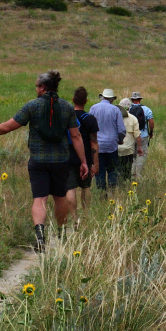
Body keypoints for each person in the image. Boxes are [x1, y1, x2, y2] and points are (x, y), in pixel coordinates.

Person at [0, 71, 87, 252]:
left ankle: (40, 235)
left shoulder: (32, 106)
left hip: (38, 161)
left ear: (43, 88)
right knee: (60, 197)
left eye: (37, 86)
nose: (36, 89)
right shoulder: (67, 107)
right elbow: (76, 135)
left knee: (39, 198)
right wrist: (83, 161)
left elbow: (7, 127)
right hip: (60, 161)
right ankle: (61, 234)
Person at [66, 86, 99, 226]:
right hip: (86, 158)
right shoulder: (90, 119)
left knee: (70, 188)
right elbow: (94, 143)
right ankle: (85, 216)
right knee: (86, 188)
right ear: (86, 101)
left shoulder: (66, 117)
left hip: (68, 158)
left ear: (73, 100)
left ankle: (74, 219)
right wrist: (95, 163)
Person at [89, 88, 125, 191]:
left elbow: (89, 127)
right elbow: (121, 129)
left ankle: (101, 194)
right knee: (112, 170)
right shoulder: (115, 110)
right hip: (111, 145)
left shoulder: (93, 108)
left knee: (99, 171)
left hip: (97, 145)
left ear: (102, 97)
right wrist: (120, 139)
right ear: (112, 99)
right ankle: (112, 192)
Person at [130, 91, 154, 179]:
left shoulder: (128, 109)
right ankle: (138, 175)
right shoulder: (147, 109)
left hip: (131, 136)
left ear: (132, 99)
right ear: (140, 99)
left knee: (132, 155)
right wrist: (151, 131)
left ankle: (132, 174)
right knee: (141, 154)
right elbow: (151, 121)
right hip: (143, 135)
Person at [117, 98, 141, 182]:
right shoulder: (133, 118)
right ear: (129, 108)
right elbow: (137, 136)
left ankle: (117, 185)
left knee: (117, 170)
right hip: (128, 150)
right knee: (127, 170)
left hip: (117, 149)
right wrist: (140, 148)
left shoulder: (115, 117)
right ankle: (126, 185)